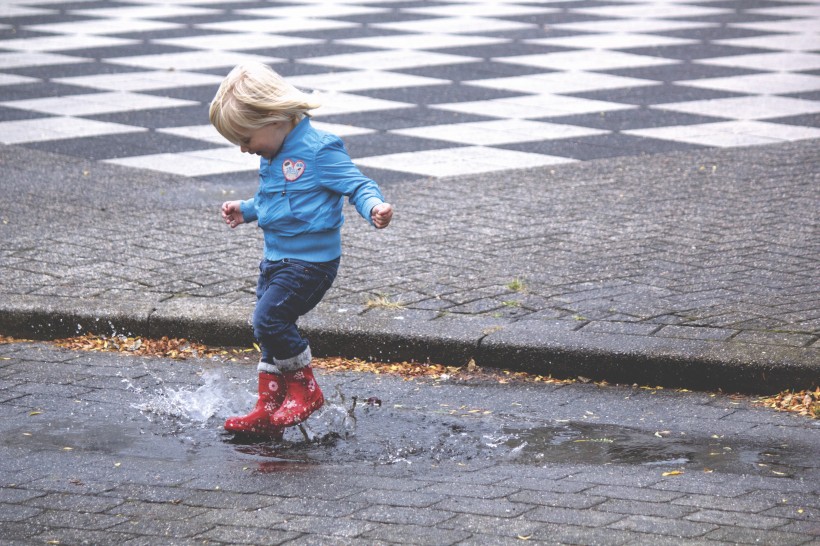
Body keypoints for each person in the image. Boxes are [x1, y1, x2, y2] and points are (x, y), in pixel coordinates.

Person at [209, 62, 393, 439]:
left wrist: (374, 206)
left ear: (274, 119)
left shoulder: (319, 149)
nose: (244, 149)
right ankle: (269, 404)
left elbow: (358, 185)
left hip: (311, 263)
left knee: (268, 320)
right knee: (270, 331)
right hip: (275, 259)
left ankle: (306, 390)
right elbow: (273, 200)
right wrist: (245, 210)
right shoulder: (272, 155)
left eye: (245, 138)